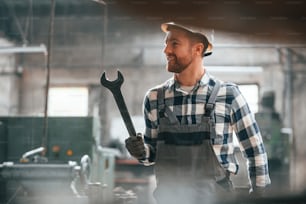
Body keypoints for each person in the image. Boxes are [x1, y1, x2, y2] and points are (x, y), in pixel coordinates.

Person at [125, 22, 271, 204]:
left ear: (198, 48)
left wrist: (259, 195)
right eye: (166, 44)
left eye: (174, 44)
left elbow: (254, 150)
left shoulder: (228, 96)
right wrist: (141, 152)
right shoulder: (154, 98)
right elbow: (152, 154)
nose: (166, 50)